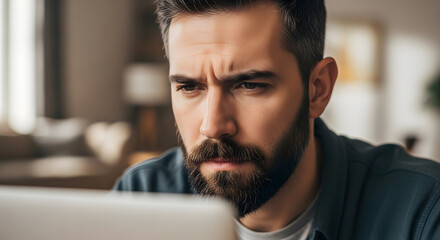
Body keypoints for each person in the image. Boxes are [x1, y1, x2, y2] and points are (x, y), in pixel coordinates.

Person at [113, 0, 440, 239]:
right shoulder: (141, 195)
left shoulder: (421, 213)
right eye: (188, 86)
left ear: (318, 89)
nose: (212, 126)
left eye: (249, 85)